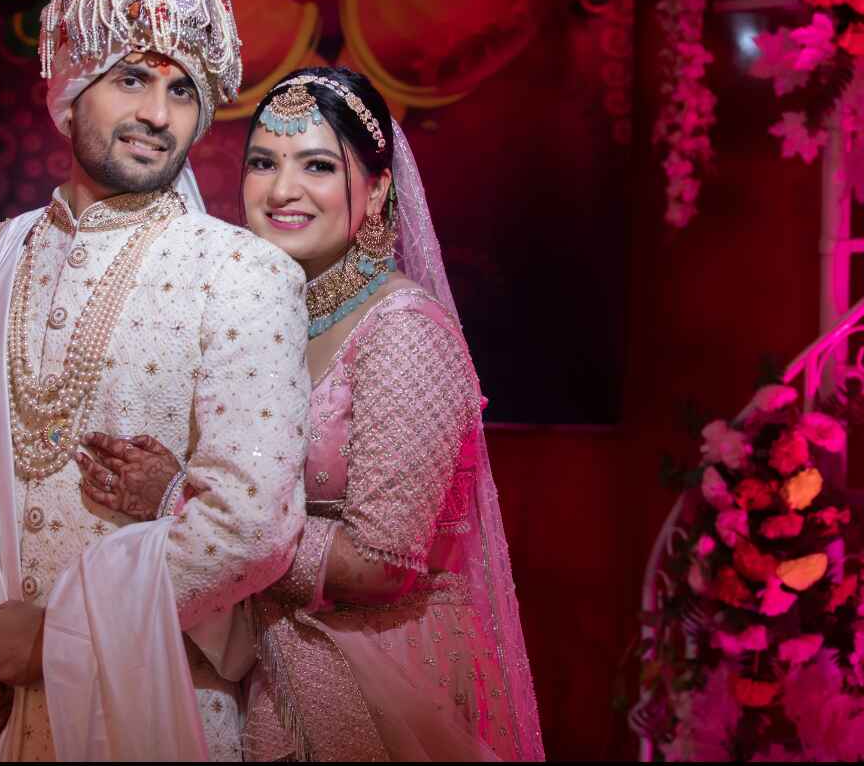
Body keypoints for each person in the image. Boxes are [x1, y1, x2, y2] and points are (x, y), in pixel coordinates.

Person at [0, 0, 310, 760]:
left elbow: (253, 526)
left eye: (183, 91)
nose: (157, 115)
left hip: (166, 716)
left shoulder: (242, 274)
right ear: (72, 84)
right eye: (131, 80)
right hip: (2, 724)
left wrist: (59, 635)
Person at [79, 66, 546, 761]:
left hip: (383, 686)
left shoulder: (403, 329)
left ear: (378, 191)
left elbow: (381, 563)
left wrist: (180, 500)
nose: (282, 189)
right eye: (264, 162)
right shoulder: (263, 323)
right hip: (263, 667)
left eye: (318, 165)